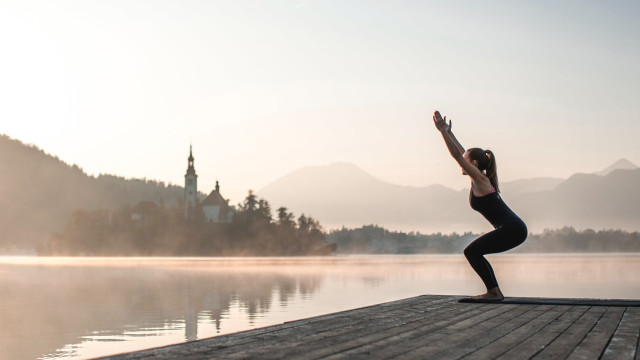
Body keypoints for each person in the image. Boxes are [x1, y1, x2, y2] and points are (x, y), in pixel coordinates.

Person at [432, 110, 527, 301]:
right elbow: (462, 153)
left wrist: (442, 132)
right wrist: (450, 133)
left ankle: (493, 292)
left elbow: (457, 156)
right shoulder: (480, 178)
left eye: (466, 163)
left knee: (472, 252)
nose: (462, 166)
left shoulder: (481, 179)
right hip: (513, 229)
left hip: (513, 229)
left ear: (473, 164)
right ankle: (494, 291)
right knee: (475, 252)